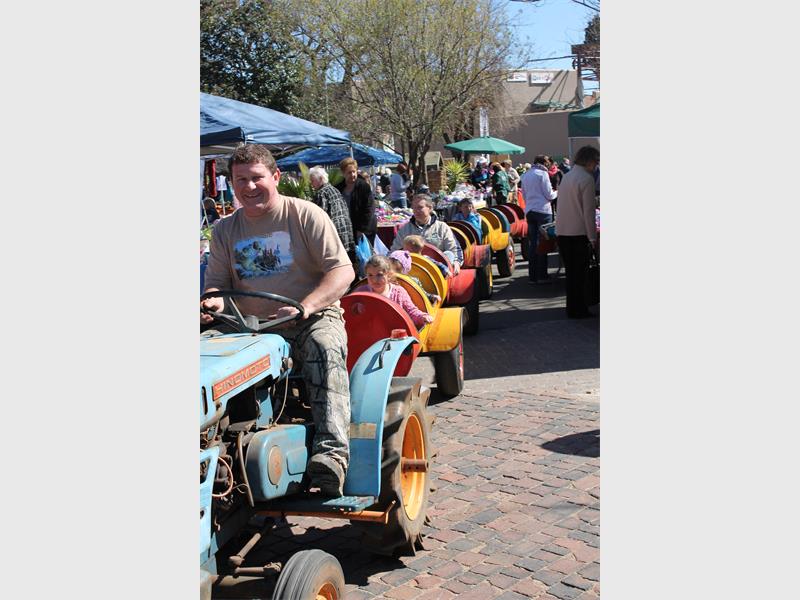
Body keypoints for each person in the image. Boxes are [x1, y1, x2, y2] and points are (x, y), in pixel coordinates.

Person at [200, 144, 355, 497]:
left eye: (257, 177)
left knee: (324, 348)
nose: (249, 186)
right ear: (232, 183)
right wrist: (212, 302)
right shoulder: (225, 230)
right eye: (241, 180)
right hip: (246, 325)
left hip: (310, 317)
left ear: (275, 176)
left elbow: (342, 272)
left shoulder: (305, 215)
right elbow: (217, 286)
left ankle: (332, 455)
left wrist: (306, 306)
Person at [555, 145, 600, 319]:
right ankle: (580, 308)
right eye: (596, 161)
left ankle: (572, 308)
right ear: (589, 161)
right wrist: (592, 237)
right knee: (580, 275)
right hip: (579, 233)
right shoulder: (586, 179)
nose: (596, 165)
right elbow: (588, 212)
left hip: (563, 231)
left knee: (571, 274)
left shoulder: (567, 176)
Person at [353, 255, 433, 329]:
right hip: (370, 334)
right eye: (370, 275)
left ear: (388, 275)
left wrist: (422, 317)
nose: (374, 279)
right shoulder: (361, 292)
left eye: (379, 275)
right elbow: (352, 313)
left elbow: (411, 311)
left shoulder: (399, 292)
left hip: (395, 334)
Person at [390, 195, 462, 275]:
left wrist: (456, 262)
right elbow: (394, 252)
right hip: (412, 270)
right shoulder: (405, 229)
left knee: (449, 254)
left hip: (438, 271)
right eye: (414, 208)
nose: (416, 211)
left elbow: (453, 249)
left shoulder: (442, 227)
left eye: (420, 207)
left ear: (430, 208)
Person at [520, 155, 558, 284]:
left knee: (533, 244)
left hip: (530, 210)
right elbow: (549, 194)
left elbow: (524, 195)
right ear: (544, 163)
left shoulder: (525, 174)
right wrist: (557, 192)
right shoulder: (543, 174)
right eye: (547, 162)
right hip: (543, 210)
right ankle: (542, 275)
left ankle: (533, 276)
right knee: (543, 243)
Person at [308, 166, 356, 266]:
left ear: (321, 179)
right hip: (346, 235)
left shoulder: (321, 193)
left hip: (335, 236)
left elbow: (319, 219)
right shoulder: (334, 189)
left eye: (312, 180)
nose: (311, 183)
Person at [335, 157, 377, 245]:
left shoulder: (364, 187)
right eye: (349, 172)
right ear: (343, 173)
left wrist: (361, 230)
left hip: (364, 229)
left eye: (354, 171)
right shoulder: (338, 188)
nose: (353, 174)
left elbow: (369, 209)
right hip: (346, 229)